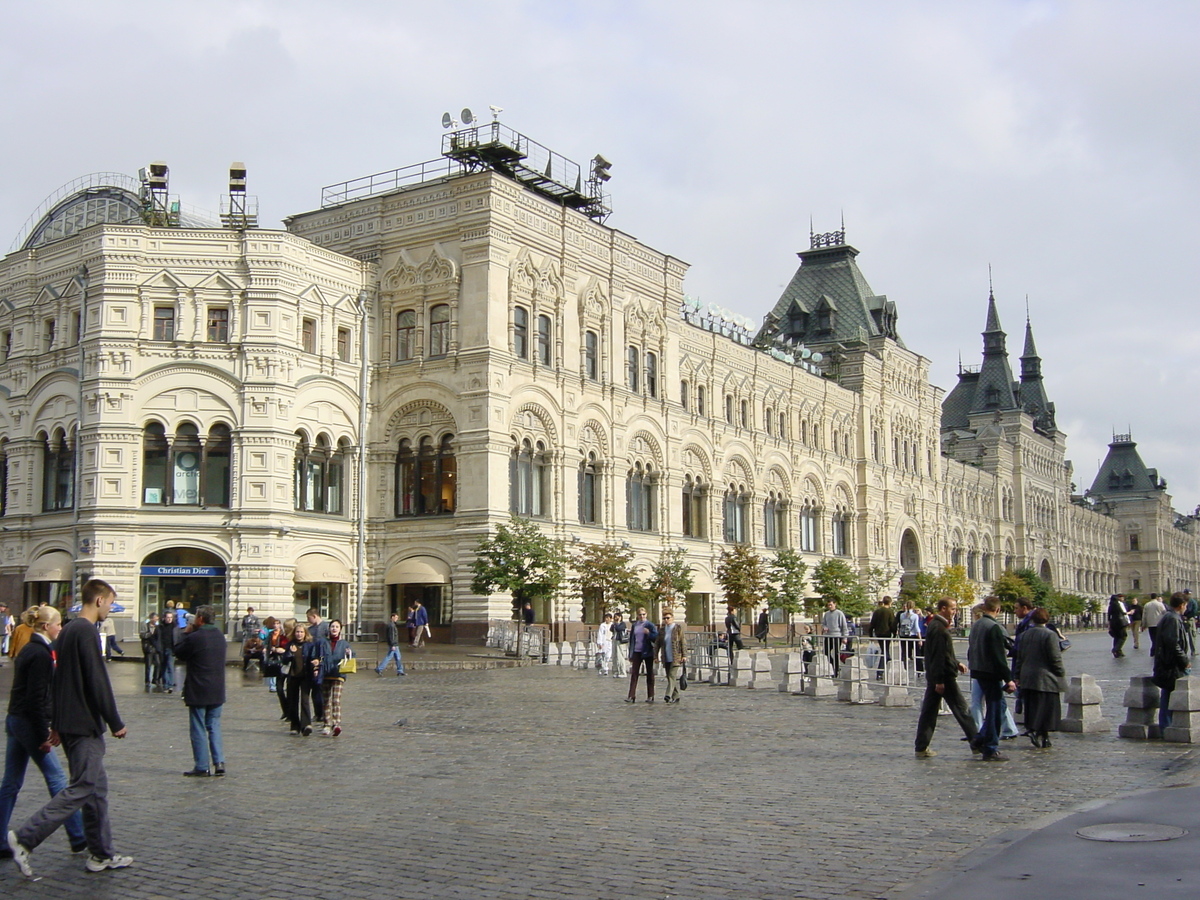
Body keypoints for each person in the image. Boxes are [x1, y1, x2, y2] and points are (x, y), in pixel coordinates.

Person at [7, 579, 131, 878]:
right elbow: (96, 680)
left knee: (96, 790)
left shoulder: (69, 631)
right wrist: (115, 721)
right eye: (110, 603)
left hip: (72, 723)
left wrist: (57, 723)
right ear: (99, 600)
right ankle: (26, 837)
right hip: (84, 724)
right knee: (84, 787)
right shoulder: (86, 632)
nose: (110, 609)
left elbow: (58, 681)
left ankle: (101, 854)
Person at [0, 606, 87, 858]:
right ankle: (78, 836)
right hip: (29, 723)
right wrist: (43, 735)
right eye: (58, 624)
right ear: (46, 626)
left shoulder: (29, 647)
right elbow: (37, 698)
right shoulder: (41, 653)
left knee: (11, 783)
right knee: (58, 780)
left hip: (15, 719)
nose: (61, 628)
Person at [914, 598, 979, 758]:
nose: (955, 612)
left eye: (956, 609)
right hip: (943, 677)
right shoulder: (939, 628)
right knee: (962, 710)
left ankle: (921, 746)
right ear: (943, 609)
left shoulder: (938, 626)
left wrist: (956, 663)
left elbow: (944, 653)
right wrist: (939, 681)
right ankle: (979, 744)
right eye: (953, 609)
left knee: (929, 712)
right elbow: (937, 656)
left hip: (938, 675)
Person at [174, 605, 227, 777]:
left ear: (200, 619)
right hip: (217, 688)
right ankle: (219, 762)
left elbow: (179, 652)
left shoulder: (196, 637)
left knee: (198, 727)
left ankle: (202, 765)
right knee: (214, 726)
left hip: (198, 688)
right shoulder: (220, 636)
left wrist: (187, 632)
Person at [968, 595, 1015, 762]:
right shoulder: (993, 627)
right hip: (990, 672)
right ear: (998, 610)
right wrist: (1008, 678)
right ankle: (990, 748)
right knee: (994, 710)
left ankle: (980, 738)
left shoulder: (977, 625)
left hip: (978, 670)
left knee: (999, 706)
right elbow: (998, 656)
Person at [1017, 608, 1066, 749]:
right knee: (1047, 709)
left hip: (1028, 677)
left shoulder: (1024, 635)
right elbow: (1055, 658)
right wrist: (1060, 672)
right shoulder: (1050, 635)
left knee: (1033, 707)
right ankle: (1038, 732)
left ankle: (1041, 735)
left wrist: (1018, 675)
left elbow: (1020, 657)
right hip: (1046, 677)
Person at [1153, 593, 1191, 734]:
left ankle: (1168, 727)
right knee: (1170, 695)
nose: (1186, 608)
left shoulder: (1170, 617)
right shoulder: (1173, 619)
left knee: (1168, 695)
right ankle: (1167, 728)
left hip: (1169, 663)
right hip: (1171, 664)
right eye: (1186, 605)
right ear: (1181, 605)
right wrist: (1185, 661)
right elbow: (1173, 643)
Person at [313, 619, 353, 736]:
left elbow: (351, 656)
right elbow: (317, 656)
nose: (334, 629)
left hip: (338, 674)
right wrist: (316, 668)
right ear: (329, 629)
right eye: (332, 626)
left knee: (336, 700)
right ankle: (326, 724)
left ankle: (336, 724)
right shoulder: (323, 642)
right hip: (325, 674)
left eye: (336, 627)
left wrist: (349, 653)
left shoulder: (344, 643)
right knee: (326, 701)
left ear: (340, 629)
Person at [284, 624, 316, 736]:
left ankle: (306, 724)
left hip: (305, 676)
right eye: (297, 632)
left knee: (305, 700)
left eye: (301, 632)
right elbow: (284, 660)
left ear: (305, 633)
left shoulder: (309, 645)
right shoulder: (290, 644)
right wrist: (290, 653)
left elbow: (313, 658)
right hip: (293, 676)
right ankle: (294, 726)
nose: (299, 634)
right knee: (293, 701)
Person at [625, 607, 658, 703]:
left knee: (649, 673)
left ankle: (650, 695)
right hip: (637, 651)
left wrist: (649, 634)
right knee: (634, 673)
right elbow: (632, 640)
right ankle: (631, 696)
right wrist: (630, 654)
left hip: (647, 651)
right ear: (637, 615)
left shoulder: (650, 625)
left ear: (646, 614)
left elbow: (656, 637)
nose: (642, 616)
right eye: (640, 614)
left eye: (643, 614)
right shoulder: (635, 625)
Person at [655, 609, 686, 703]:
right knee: (669, 677)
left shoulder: (678, 628)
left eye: (668, 618)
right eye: (664, 618)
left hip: (676, 656)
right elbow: (657, 644)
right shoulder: (662, 630)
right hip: (666, 657)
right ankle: (676, 696)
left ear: (672, 618)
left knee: (672, 675)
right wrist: (655, 656)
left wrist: (684, 655)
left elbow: (683, 642)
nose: (666, 620)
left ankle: (668, 695)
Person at [305, 609, 329, 723]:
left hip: (324, 661)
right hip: (313, 661)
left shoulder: (327, 627)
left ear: (314, 616)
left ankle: (325, 713)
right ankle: (318, 713)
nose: (307, 621)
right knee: (315, 689)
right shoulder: (310, 630)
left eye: (308, 618)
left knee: (323, 689)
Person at [867, 596, 897, 680]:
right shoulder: (890, 612)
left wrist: (871, 635)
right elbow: (892, 624)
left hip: (878, 633)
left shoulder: (877, 611)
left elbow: (872, 623)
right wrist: (894, 634)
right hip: (886, 634)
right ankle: (880, 672)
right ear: (890, 602)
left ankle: (888, 660)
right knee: (885, 652)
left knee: (885, 651)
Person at [820, 599, 848, 676]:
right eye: (828, 605)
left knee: (836, 654)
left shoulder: (839, 613)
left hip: (837, 636)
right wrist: (824, 627)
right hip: (828, 636)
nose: (830, 606)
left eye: (831, 605)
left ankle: (836, 671)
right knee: (826, 653)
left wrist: (845, 637)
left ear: (835, 604)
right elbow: (823, 623)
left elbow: (844, 626)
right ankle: (831, 667)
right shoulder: (826, 614)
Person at [375, 612, 406, 677]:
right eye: (396, 617)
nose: (397, 619)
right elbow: (391, 636)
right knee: (389, 657)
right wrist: (393, 645)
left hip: (394, 644)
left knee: (398, 657)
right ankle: (379, 668)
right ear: (392, 617)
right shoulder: (391, 626)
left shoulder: (392, 625)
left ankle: (400, 670)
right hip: (394, 645)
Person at [157, 609, 178, 693]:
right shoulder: (160, 627)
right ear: (164, 618)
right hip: (162, 649)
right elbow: (157, 638)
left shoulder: (175, 627)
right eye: (168, 617)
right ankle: (165, 685)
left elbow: (178, 639)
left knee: (170, 667)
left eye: (171, 617)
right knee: (164, 668)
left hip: (171, 650)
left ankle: (170, 685)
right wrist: (158, 648)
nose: (169, 619)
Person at [139, 613, 161, 692]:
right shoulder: (145, 625)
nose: (156, 620)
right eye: (155, 618)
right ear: (151, 619)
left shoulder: (158, 627)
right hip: (148, 647)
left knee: (158, 663)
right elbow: (142, 635)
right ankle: (147, 681)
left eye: (157, 619)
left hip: (155, 648)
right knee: (148, 665)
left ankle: (155, 679)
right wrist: (150, 634)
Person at [611, 612, 628, 679]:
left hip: (620, 641)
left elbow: (618, 629)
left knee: (620, 656)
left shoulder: (623, 624)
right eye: (615, 617)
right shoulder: (614, 624)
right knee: (614, 656)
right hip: (614, 640)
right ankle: (616, 671)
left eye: (617, 617)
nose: (616, 618)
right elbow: (611, 629)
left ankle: (622, 672)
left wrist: (617, 622)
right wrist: (614, 623)